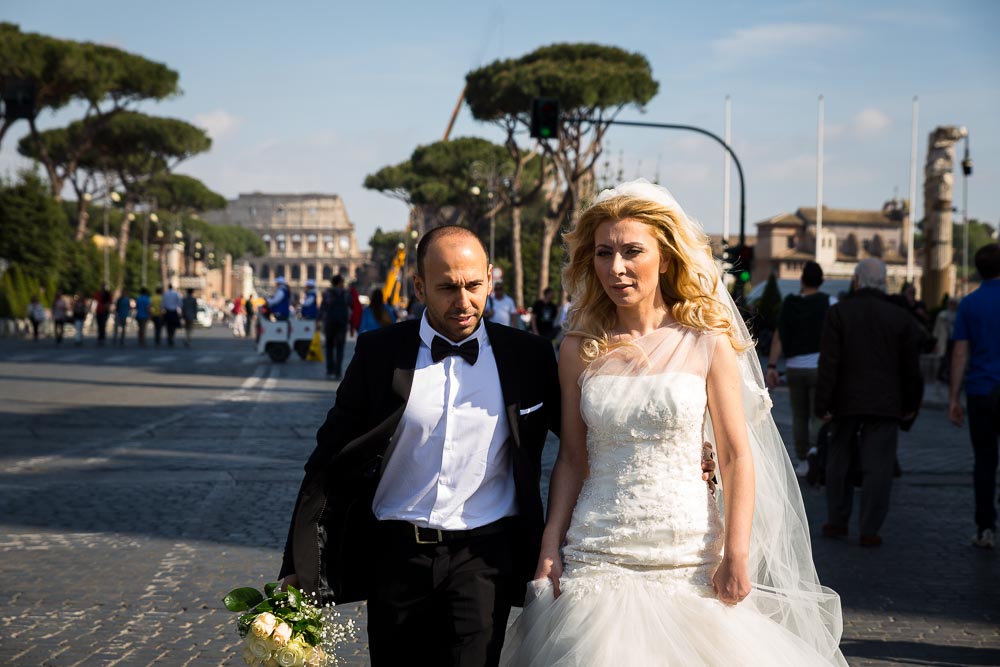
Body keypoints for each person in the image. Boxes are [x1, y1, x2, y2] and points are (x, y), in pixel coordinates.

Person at [500, 180, 846, 666]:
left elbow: (734, 455)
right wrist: (550, 544)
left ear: (665, 257)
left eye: (631, 251)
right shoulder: (578, 348)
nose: (616, 267)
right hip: (598, 552)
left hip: (687, 556)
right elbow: (573, 460)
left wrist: (737, 552)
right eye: (603, 253)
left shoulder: (707, 340)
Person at [278, 226, 563, 666]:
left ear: (490, 278)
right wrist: (295, 565)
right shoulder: (378, 353)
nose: (463, 301)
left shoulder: (529, 356)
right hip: (395, 555)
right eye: (447, 287)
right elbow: (327, 463)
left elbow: (584, 444)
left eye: (474, 285)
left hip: (485, 556)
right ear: (418, 286)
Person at [814, 258, 923, 548]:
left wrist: (822, 403)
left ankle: (837, 520)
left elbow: (829, 363)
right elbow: (911, 366)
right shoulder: (900, 317)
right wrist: (911, 403)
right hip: (886, 402)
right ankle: (869, 528)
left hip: (844, 400)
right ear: (884, 282)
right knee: (879, 467)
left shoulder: (839, 313)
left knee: (839, 461)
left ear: (857, 280)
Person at [949, 243, 1000, 549]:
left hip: (981, 391)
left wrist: (954, 398)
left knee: (984, 461)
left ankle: (985, 528)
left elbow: (959, 353)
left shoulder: (969, 303)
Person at [765, 261, 832, 478]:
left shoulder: (789, 304)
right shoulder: (829, 303)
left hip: (794, 369)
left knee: (799, 416)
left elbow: (778, 337)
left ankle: (802, 460)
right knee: (819, 413)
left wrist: (772, 366)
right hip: (819, 368)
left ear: (802, 280)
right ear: (821, 281)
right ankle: (815, 449)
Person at [319, 275, 351, 380]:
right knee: (340, 348)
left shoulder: (328, 293)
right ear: (339, 283)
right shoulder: (346, 294)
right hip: (341, 324)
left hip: (330, 323)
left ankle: (330, 369)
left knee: (329, 347)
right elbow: (351, 306)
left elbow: (323, 307)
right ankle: (338, 371)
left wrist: (320, 320)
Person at [933, 297, 958, 383]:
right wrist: (936, 342)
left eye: (954, 304)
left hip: (954, 339)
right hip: (944, 339)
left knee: (952, 358)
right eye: (951, 303)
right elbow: (937, 329)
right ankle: (940, 375)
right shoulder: (942, 315)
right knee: (943, 358)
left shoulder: (958, 315)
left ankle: (948, 375)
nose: (952, 306)